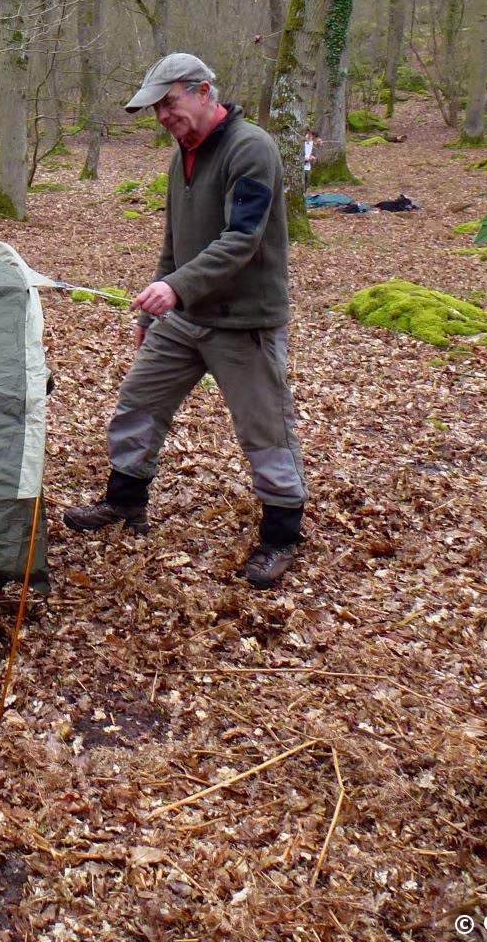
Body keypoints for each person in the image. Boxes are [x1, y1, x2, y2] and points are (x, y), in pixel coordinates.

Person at [61, 53, 308, 590]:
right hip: (183, 317)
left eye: (168, 103)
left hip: (244, 320)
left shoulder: (251, 148)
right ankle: (125, 502)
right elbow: (175, 240)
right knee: (139, 403)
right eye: (156, 109)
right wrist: (158, 306)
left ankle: (282, 534)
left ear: (203, 91)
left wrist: (175, 288)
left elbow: (242, 238)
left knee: (265, 429)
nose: (163, 117)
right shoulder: (182, 156)